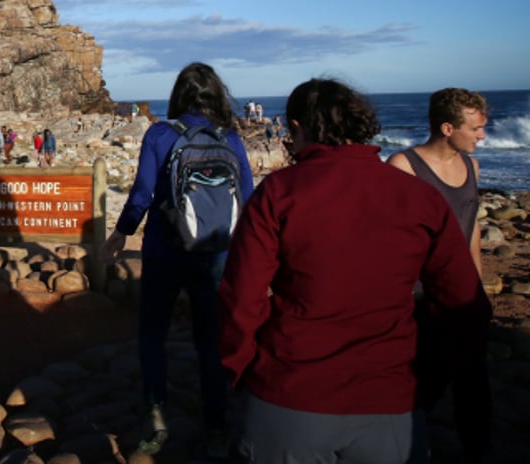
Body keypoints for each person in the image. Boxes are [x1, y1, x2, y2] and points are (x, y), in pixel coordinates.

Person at [219, 79, 491, 464]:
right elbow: (464, 302)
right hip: (390, 402)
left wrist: (243, 369)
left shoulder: (279, 191)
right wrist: (427, 377)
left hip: (290, 395)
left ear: (297, 128)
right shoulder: (419, 197)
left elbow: (240, 297)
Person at [98, 62, 252, 459]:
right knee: (210, 339)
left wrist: (122, 232)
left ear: (179, 95)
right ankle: (216, 424)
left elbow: (141, 194)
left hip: (164, 250)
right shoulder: (231, 139)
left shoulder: (160, 134)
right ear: (216, 95)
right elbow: (248, 200)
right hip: (215, 252)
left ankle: (155, 411)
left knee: (153, 333)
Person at [388, 88, 491, 463]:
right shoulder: (403, 166)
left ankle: (477, 451)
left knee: (473, 383)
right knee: (421, 383)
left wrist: (476, 288)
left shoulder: (473, 168)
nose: (482, 135)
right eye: (476, 128)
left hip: (461, 296)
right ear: (448, 128)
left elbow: (472, 229)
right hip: (417, 299)